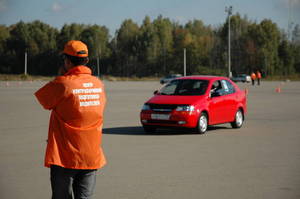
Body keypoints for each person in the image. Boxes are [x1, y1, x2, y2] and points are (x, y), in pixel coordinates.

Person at [34, 40, 107, 199]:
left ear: (67, 61)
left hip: (64, 157)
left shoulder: (63, 84)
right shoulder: (99, 84)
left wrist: (60, 76)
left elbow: (43, 100)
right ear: (86, 60)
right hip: (90, 156)